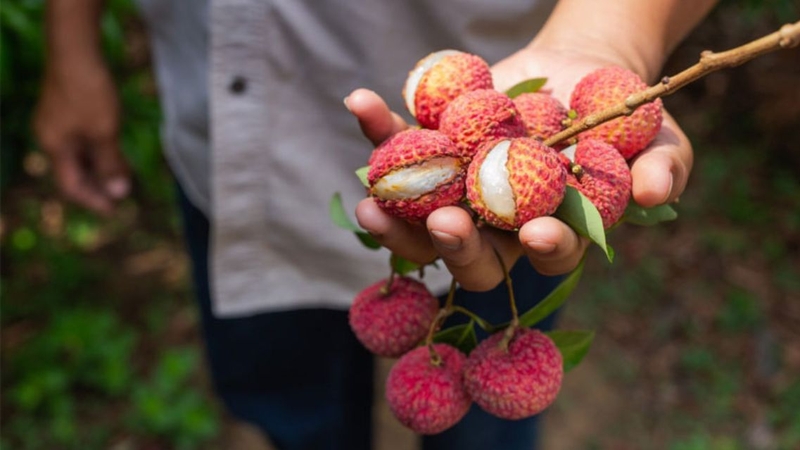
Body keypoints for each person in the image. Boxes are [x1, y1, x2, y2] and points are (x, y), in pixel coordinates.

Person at [33, 0, 716, 448]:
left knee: (483, 430)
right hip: (227, 148)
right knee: (293, 407)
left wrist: (610, 34)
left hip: (500, 196)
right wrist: (71, 42)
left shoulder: (520, 155)